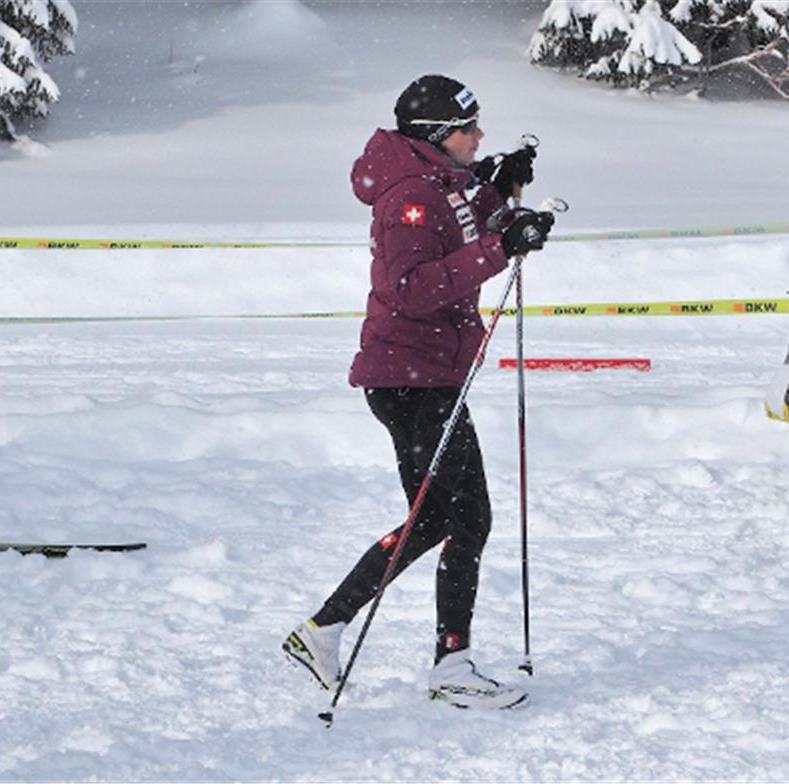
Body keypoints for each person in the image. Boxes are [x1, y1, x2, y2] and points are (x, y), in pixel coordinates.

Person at [283, 74, 554, 709]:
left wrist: (497, 184)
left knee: (437, 519)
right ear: (437, 138)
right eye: (469, 130)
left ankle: (324, 630)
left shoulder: (443, 183)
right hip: (410, 381)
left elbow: (467, 217)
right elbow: (410, 288)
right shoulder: (409, 197)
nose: (479, 134)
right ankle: (449, 665)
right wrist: (498, 247)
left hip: (426, 378)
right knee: (467, 517)